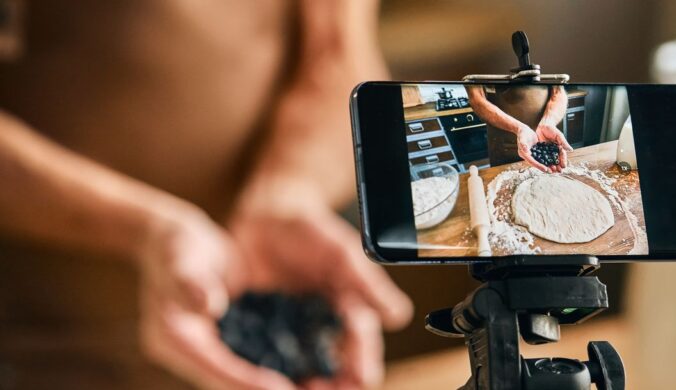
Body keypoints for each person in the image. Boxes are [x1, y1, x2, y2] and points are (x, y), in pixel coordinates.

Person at [0, 0, 412, 388]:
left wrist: (289, 193)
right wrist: (145, 228)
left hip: (285, 305)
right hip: (52, 347)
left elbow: (340, 54)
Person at [467, 84, 572, 172]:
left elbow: (558, 92)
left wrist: (548, 122)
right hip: (503, 146)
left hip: (546, 137)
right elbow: (476, 100)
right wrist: (519, 128)